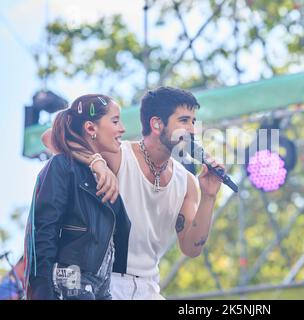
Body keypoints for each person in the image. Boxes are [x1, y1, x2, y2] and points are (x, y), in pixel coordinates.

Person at [42, 86, 224, 300]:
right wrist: (97, 162)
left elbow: (191, 248)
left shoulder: (188, 182)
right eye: (184, 121)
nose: (193, 130)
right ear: (156, 124)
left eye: (194, 121)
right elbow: (50, 138)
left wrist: (209, 195)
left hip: (149, 289)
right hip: (105, 284)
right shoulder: (117, 155)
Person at [24, 94, 131, 300]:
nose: (122, 128)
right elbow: (43, 231)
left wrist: (97, 162)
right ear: (91, 129)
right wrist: (42, 292)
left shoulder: (103, 174)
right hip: (68, 287)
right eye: (115, 121)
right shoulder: (63, 165)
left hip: (101, 290)